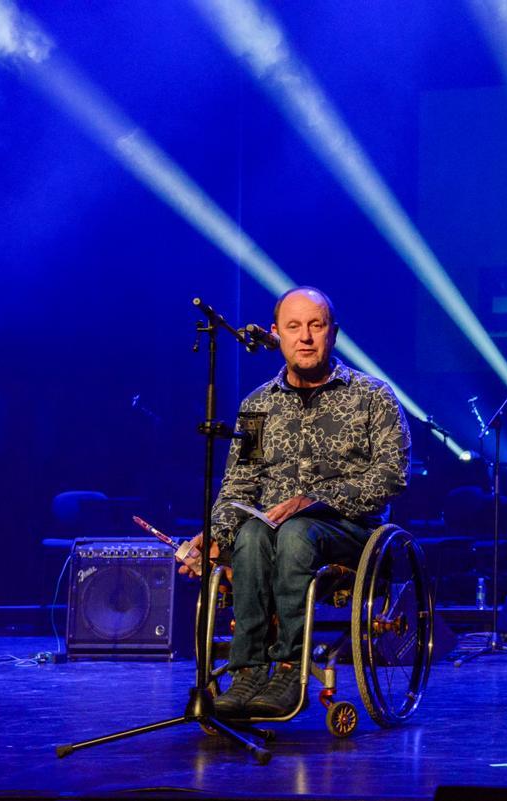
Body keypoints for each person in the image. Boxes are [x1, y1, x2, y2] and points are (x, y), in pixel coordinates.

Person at [180, 286, 411, 719]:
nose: (305, 336)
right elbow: (239, 486)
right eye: (294, 327)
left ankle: (289, 666)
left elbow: (391, 476)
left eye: (315, 326)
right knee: (249, 534)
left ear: (333, 333)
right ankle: (247, 670)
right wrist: (215, 535)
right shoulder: (257, 406)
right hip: (266, 533)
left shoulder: (372, 397)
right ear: (276, 335)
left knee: (296, 532)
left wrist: (316, 499)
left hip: (349, 532)